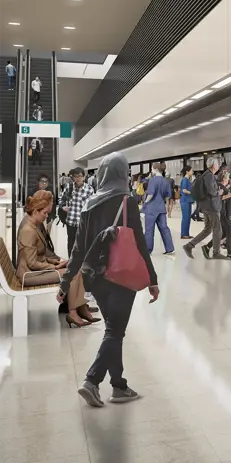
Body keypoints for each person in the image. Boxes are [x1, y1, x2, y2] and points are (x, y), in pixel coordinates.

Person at [65, 152, 159, 408]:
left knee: (113, 330)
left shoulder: (88, 203)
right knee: (115, 331)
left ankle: (119, 386)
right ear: (122, 173)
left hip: (95, 278)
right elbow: (139, 244)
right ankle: (91, 381)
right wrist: (152, 279)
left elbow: (77, 249)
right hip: (121, 274)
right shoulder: (126, 201)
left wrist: (66, 282)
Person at [19, 191, 95, 327]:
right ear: (35, 211)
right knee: (74, 272)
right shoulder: (28, 230)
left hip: (35, 269)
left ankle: (79, 307)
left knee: (75, 267)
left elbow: (39, 256)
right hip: (28, 275)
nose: (47, 216)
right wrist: (55, 267)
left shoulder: (33, 223)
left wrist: (55, 262)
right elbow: (32, 263)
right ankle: (73, 312)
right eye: (45, 213)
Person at [184, 158, 225, 259]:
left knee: (208, 229)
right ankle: (216, 253)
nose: (219, 165)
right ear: (213, 165)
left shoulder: (206, 175)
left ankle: (189, 246)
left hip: (205, 206)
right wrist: (218, 192)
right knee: (217, 229)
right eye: (217, 164)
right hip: (211, 207)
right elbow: (211, 190)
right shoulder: (209, 175)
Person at [141, 162, 175, 255]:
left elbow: (150, 194)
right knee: (164, 228)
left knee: (149, 229)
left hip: (152, 208)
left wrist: (145, 202)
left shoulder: (153, 180)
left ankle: (148, 249)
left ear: (155, 169)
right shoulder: (166, 181)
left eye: (152, 169)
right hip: (161, 207)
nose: (151, 171)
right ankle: (169, 248)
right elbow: (168, 196)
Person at [205, 171, 231, 260]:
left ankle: (207, 246)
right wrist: (229, 195)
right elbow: (218, 198)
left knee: (224, 232)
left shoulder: (220, 186)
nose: (228, 180)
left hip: (223, 212)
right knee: (230, 231)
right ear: (224, 178)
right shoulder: (221, 187)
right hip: (224, 213)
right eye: (227, 178)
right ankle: (229, 252)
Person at [59, 168, 93, 256]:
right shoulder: (69, 187)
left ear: (84, 177)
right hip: (70, 221)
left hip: (83, 222)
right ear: (73, 177)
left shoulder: (89, 189)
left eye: (80, 176)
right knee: (71, 242)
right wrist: (63, 206)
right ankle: (71, 261)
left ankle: (81, 263)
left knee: (82, 243)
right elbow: (61, 199)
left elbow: (92, 206)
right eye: (75, 176)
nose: (78, 178)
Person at [178, 166, 194, 239]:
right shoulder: (185, 180)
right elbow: (184, 190)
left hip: (187, 201)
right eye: (191, 171)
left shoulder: (187, 180)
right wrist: (192, 192)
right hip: (185, 201)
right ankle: (184, 234)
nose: (192, 172)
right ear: (187, 172)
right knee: (185, 217)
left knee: (187, 218)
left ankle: (186, 233)